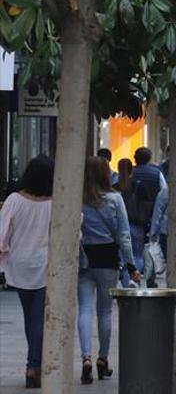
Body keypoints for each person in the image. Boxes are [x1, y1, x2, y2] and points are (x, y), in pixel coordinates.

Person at [78, 157, 140, 385]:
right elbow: (124, 235)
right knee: (104, 311)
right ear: (106, 175)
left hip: (83, 258)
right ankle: (102, 359)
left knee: (84, 308)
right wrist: (131, 265)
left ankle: (85, 358)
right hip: (108, 259)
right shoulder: (115, 199)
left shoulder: (78, 198)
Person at [0, 155, 53, 388]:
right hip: (45, 266)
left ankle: (34, 364)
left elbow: (2, 234)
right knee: (38, 318)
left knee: (30, 316)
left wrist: (4, 253)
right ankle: (34, 366)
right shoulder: (57, 202)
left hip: (19, 266)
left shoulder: (14, 200)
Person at [124, 147, 167, 285]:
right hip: (149, 214)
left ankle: (132, 274)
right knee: (148, 247)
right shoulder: (157, 173)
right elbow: (163, 191)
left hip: (130, 215)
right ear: (149, 158)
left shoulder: (131, 174)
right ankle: (147, 275)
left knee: (133, 248)